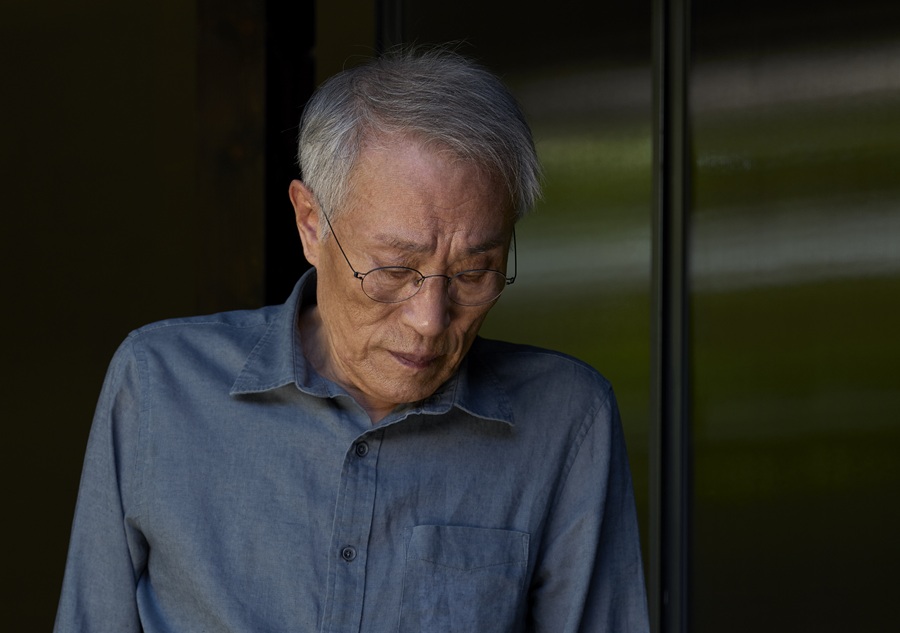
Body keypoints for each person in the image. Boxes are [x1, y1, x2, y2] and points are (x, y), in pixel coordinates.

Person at [54, 48, 649, 632]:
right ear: (311, 224)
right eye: (393, 269)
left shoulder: (567, 418)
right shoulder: (159, 385)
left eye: (474, 274)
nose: (430, 319)